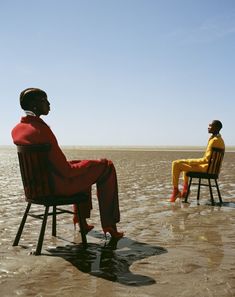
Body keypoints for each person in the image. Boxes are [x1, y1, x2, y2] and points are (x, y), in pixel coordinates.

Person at [12, 87, 123, 239]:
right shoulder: (41, 131)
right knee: (107, 167)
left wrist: (83, 165)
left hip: (36, 188)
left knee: (82, 169)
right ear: (35, 105)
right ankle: (110, 225)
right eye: (45, 101)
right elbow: (66, 171)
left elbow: (52, 163)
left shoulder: (18, 129)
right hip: (54, 188)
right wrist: (90, 164)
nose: (49, 104)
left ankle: (81, 222)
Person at [170, 120, 225, 202]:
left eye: (210, 126)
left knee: (176, 163)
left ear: (216, 128)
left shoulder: (215, 141)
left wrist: (188, 161)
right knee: (185, 167)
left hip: (207, 169)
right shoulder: (219, 139)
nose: (208, 127)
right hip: (211, 169)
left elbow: (206, 159)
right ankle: (185, 190)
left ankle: (176, 191)